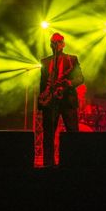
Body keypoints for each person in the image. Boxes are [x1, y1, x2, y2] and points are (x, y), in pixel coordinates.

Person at [38, 33, 84, 167]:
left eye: (59, 42)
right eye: (53, 42)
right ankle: (48, 164)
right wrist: (41, 102)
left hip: (67, 100)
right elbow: (42, 83)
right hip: (50, 101)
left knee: (72, 133)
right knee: (48, 134)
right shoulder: (44, 62)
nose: (56, 44)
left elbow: (80, 78)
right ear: (50, 44)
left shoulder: (72, 59)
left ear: (63, 44)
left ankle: (73, 163)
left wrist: (69, 83)